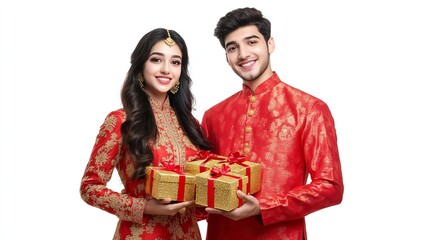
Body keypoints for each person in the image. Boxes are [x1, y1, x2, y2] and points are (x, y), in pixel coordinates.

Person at [200, 7, 344, 240]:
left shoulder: (309, 109)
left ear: (270, 44)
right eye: (232, 47)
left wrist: (263, 207)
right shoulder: (213, 116)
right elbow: (203, 182)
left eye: (252, 42)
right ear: (227, 58)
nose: (243, 53)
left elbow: (331, 187)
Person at [80, 28, 210, 240]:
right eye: (157, 60)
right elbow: (90, 187)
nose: (166, 69)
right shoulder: (121, 120)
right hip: (140, 234)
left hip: (189, 234)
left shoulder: (190, 124)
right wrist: (145, 206)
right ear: (141, 66)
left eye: (175, 62)